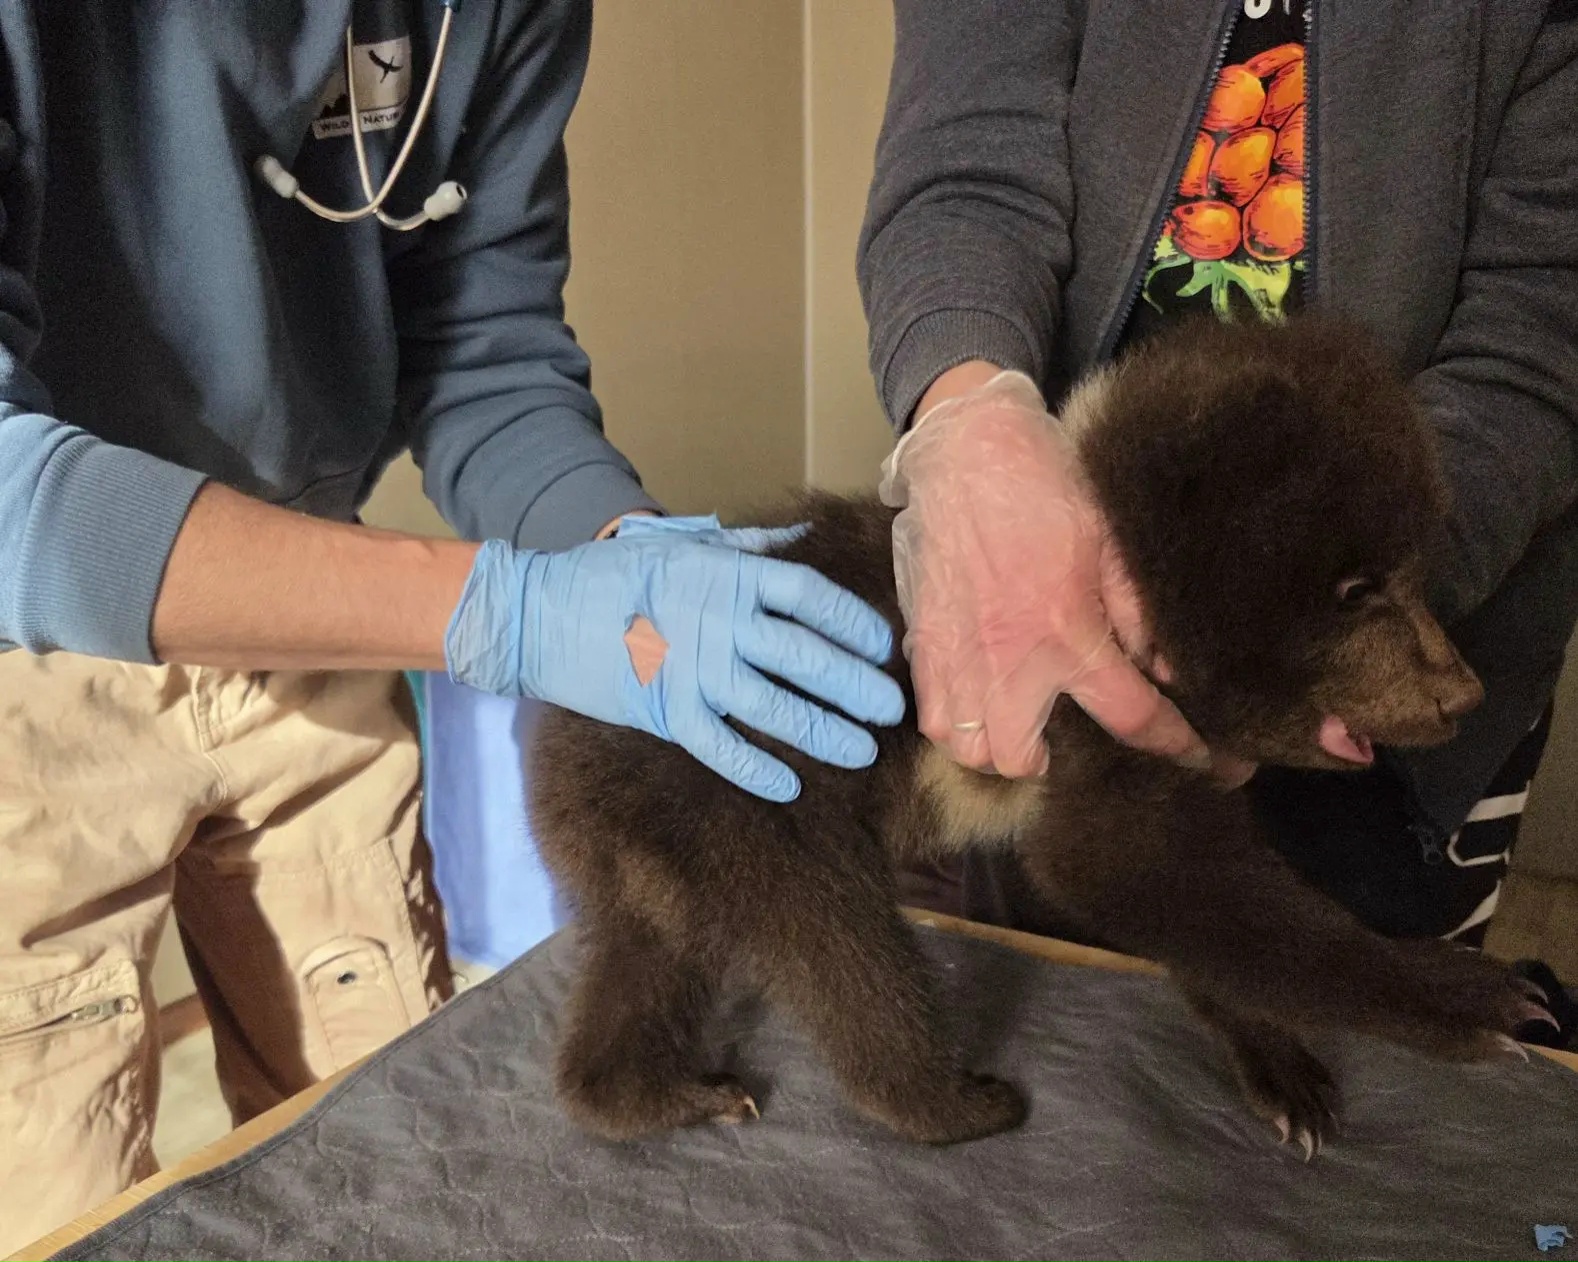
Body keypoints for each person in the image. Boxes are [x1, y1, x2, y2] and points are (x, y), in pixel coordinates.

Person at [0, 2, 904, 1248]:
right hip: (27, 666)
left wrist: (618, 552)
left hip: (322, 627)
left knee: (392, 1164)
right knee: (60, 1193)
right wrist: (504, 608)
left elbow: (482, 351)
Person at [863, 0, 1578, 976]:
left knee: (1378, 1034)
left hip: (1405, 639)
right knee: (1069, 1010)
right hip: (1058, 644)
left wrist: (1316, 604)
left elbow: (1540, 328)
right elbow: (963, 180)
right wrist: (969, 414)